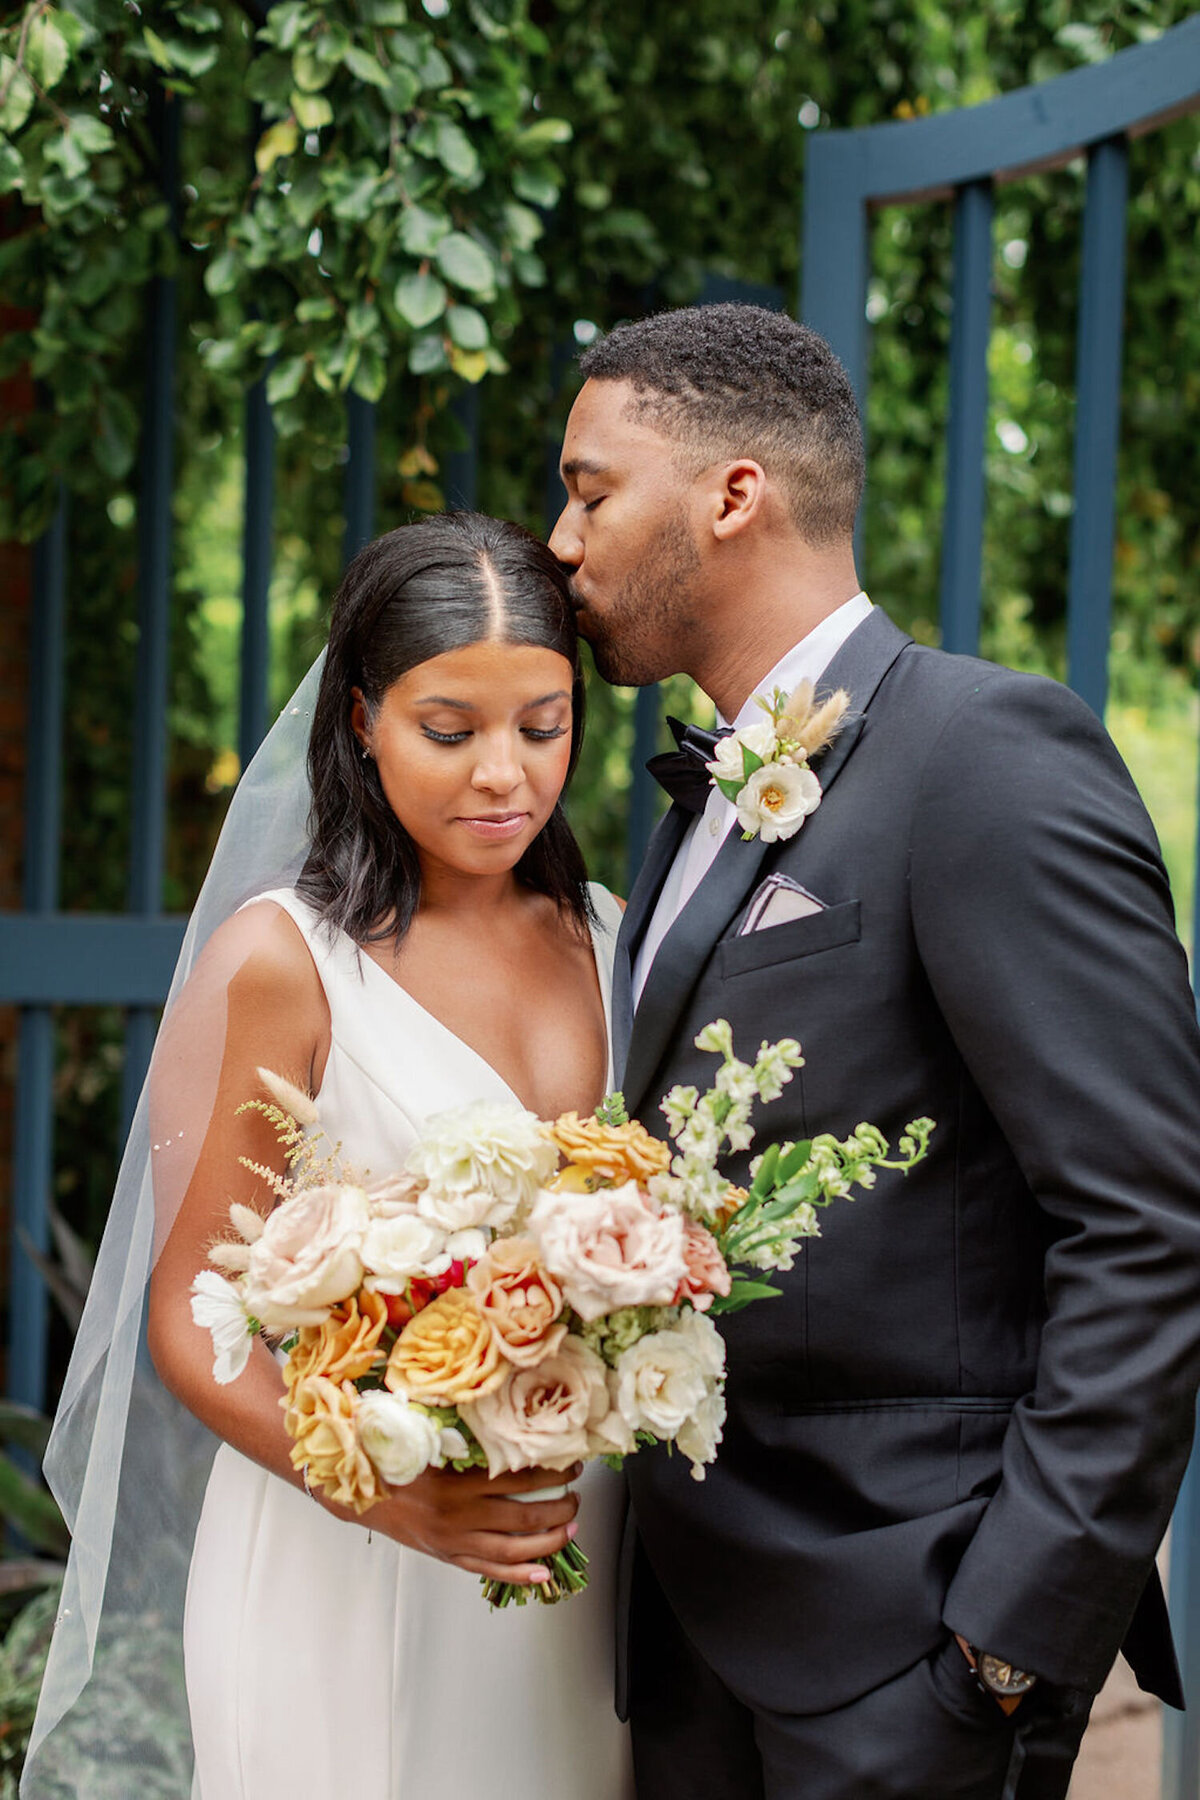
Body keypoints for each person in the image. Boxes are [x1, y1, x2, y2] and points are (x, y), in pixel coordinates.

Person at [548, 301, 1200, 1800]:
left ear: (732, 496)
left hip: (911, 1659)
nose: (564, 544)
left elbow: (1147, 1223)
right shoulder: (689, 810)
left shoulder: (984, 759)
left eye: (591, 492)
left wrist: (1001, 1647)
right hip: (690, 1651)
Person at [23, 512, 634, 1800]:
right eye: (449, 731)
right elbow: (195, 1323)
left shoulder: (619, 941)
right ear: (361, 719)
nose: (504, 777)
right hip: (347, 1543)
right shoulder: (286, 960)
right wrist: (395, 1497)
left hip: (570, 1555)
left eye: (543, 724)